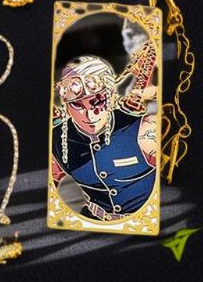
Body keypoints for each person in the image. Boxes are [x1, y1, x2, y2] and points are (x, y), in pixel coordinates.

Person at [51, 54, 157, 221]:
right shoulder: (56, 140)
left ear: (112, 96)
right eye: (77, 105)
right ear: (66, 105)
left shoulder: (143, 128)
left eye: (98, 102)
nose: (89, 115)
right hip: (92, 222)